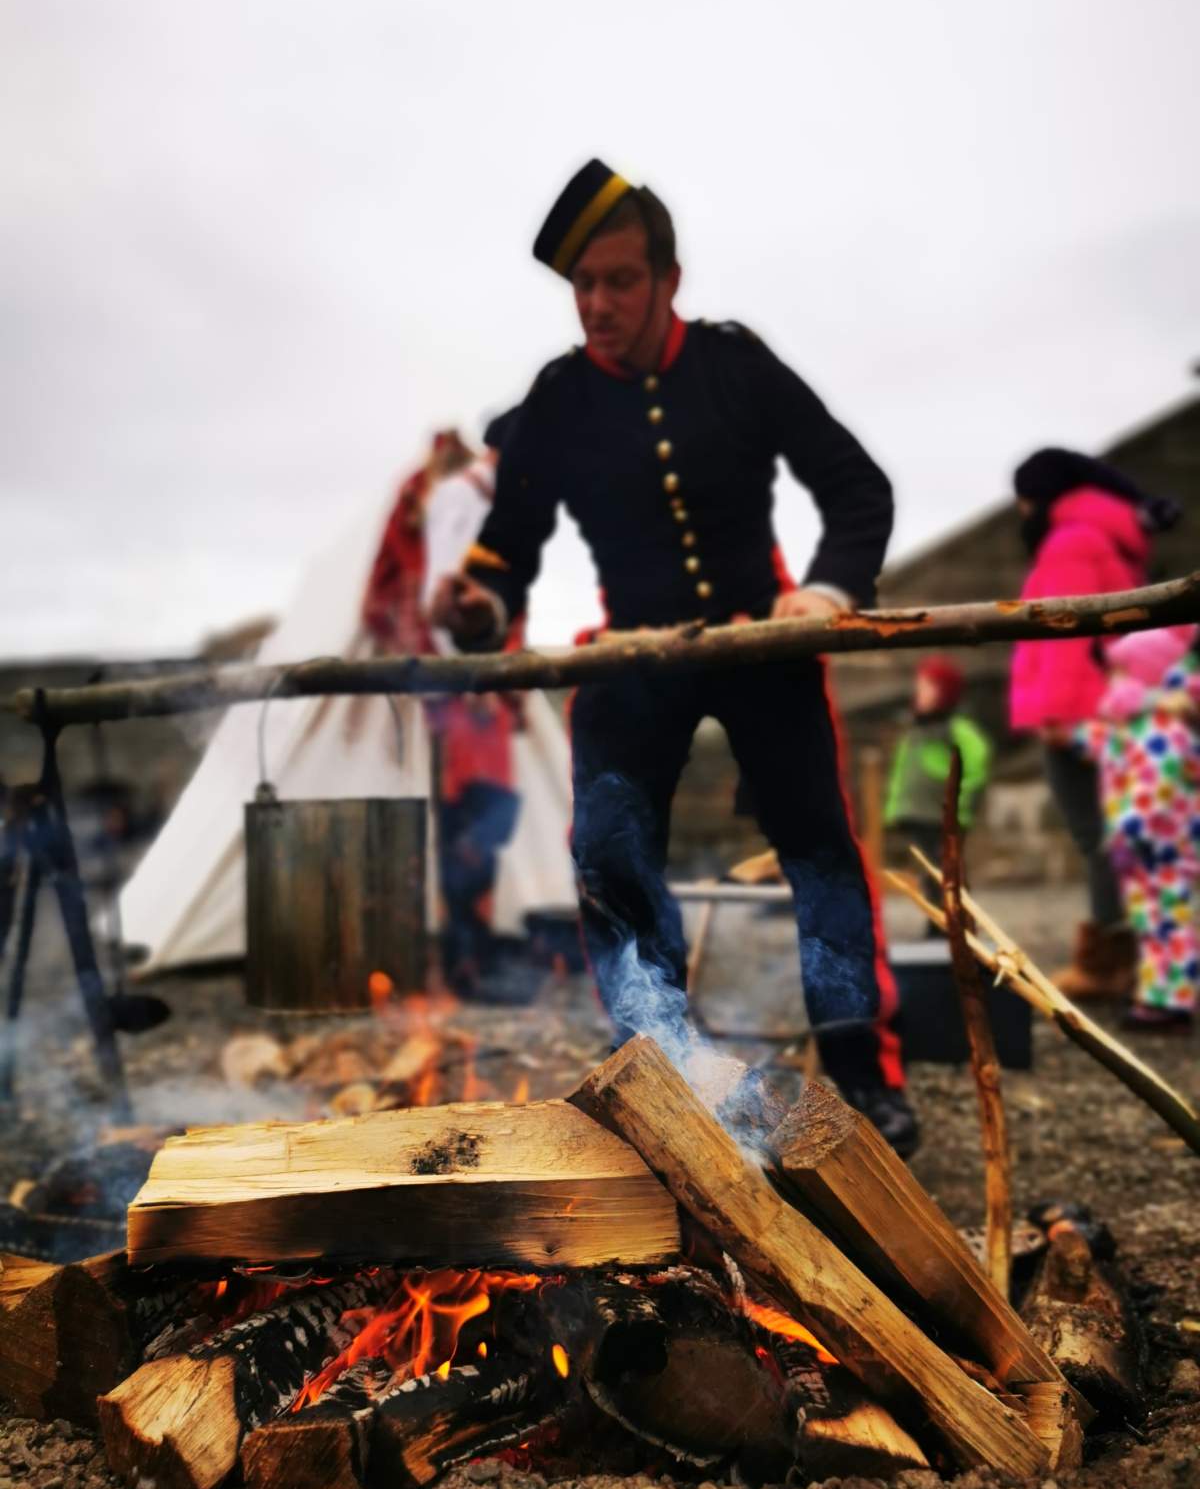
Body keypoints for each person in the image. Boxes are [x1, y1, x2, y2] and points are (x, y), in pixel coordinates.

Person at [434, 158, 916, 1154]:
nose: (598, 304)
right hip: (637, 647)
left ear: (669, 280)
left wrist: (822, 595)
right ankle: (665, 1071)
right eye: (583, 286)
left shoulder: (737, 365)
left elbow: (856, 488)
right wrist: (477, 604)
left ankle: (863, 1071)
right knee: (608, 855)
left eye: (618, 280)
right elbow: (505, 552)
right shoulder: (559, 397)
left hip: (762, 634)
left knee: (818, 844)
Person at [1009, 448, 1181, 1001]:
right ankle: (1135, 959)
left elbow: (1066, 632)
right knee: (1119, 833)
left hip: (1079, 711)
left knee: (1097, 836)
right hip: (1110, 705)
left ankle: (1110, 963)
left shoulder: (1071, 543)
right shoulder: (1110, 540)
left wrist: (1058, 715)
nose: (1020, 512)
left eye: (1026, 499)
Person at [363, 426, 520, 996]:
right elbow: (397, 595)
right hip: (439, 686)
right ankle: (457, 956)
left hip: (481, 685)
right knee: (458, 815)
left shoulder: (489, 504)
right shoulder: (435, 501)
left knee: (488, 814)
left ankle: (470, 947)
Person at [1075, 624, 1199, 1032]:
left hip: (1163, 848)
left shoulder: (1162, 728)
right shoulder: (1137, 723)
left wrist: (1127, 832)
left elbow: (1154, 787)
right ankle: (1155, 994)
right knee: (1150, 924)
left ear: (1146, 676)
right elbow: (1112, 750)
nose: (1114, 682)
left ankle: (1173, 1003)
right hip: (1146, 848)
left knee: (1169, 923)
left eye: (1122, 672)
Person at [885, 657, 991, 917]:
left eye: (927, 686)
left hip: (940, 813)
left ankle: (954, 922)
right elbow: (903, 770)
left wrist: (960, 803)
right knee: (929, 872)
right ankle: (937, 922)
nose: (919, 692)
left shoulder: (955, 729)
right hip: (919, 812)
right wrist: (896, 807)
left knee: (946, 870)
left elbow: (977, 762)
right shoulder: (917, 729)